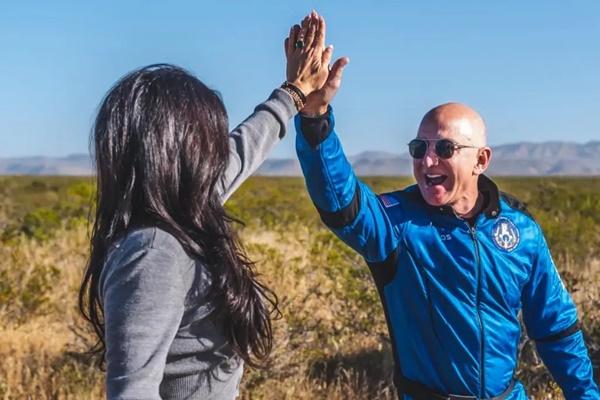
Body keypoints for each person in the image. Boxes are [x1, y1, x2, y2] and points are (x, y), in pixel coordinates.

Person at [294, 61, 600, 398]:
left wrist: (585, 395)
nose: (427, 161)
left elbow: (556, 327)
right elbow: (341, 203)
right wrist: (315, 118)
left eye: (444, 148)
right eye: (419, 148)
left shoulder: (521, 231)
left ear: (481, 160)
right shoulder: (395, 224)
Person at [78, 11, 333, 399]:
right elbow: (133, 391)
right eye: (209, 137)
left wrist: (295, 93)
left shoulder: (183, 209)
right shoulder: (153, 252)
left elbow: (242, 150)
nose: (218, 149)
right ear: (179, 150)